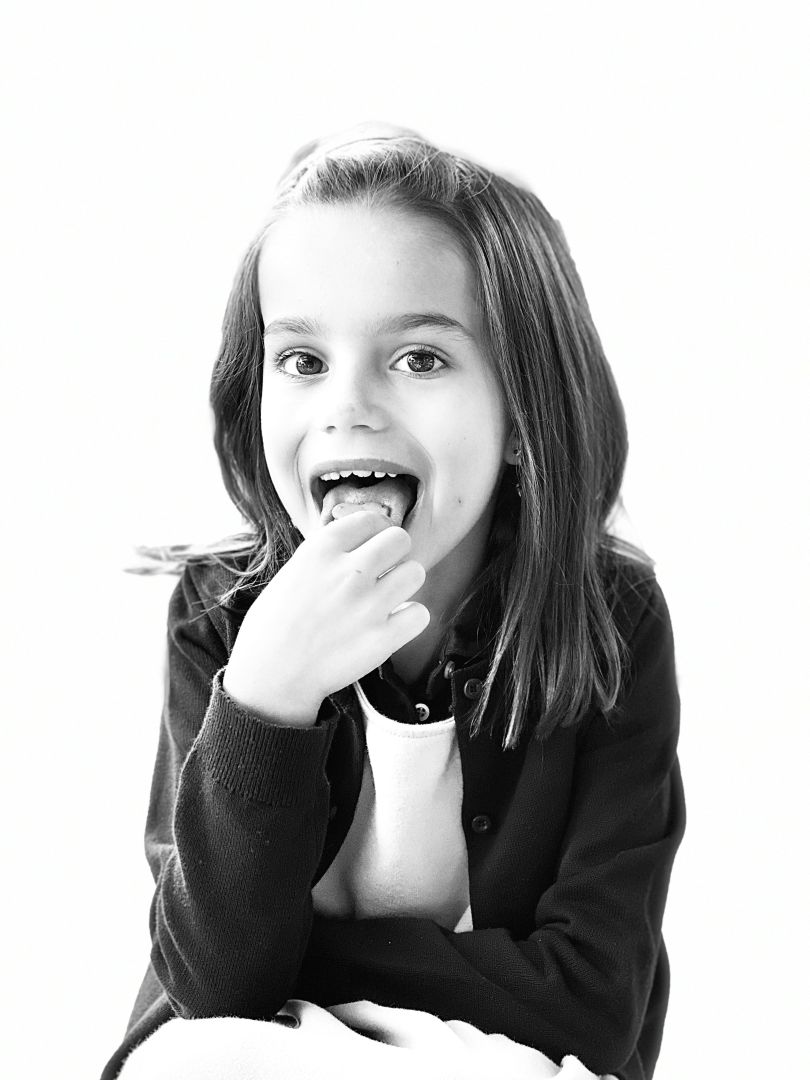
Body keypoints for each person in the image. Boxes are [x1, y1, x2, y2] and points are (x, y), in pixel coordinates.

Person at [101, 122, 685, 1080]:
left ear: (524, 416)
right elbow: (210, 989)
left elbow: (593, 1005)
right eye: (302, 361)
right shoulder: (222, 615)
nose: (347, 407)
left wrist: (307, 967)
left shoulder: (610, 621)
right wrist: (265, 700)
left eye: (418, 359)